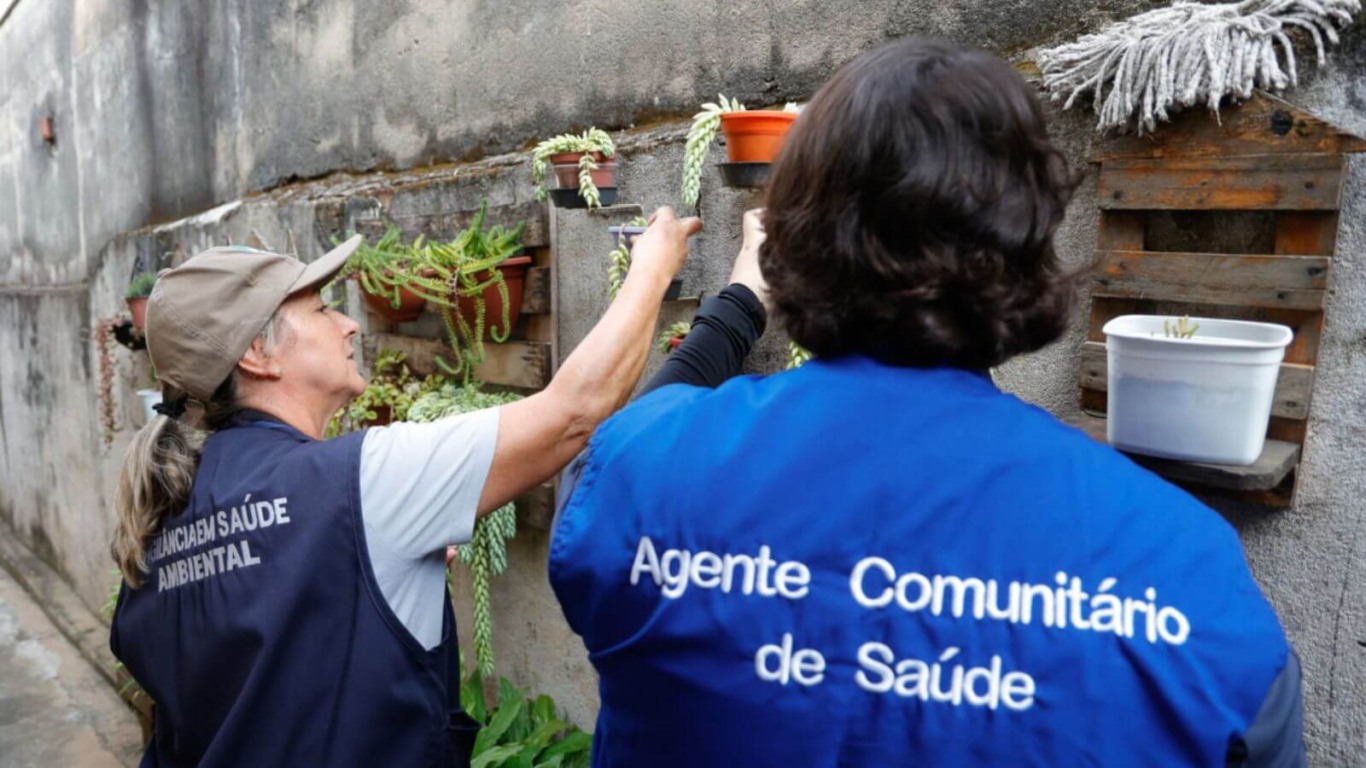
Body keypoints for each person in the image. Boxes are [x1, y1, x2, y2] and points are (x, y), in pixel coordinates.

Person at [547, 39, 1306, 767]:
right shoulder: (1184, 572)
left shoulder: (640, 480)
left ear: (793, 238)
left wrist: (745, 296)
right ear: (1028, 249)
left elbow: (630, 445)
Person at [108, 207, 731, 768]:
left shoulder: (161, 525)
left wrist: (370, 570)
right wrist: (653, 266)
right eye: (321, 309)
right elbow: (574, 412)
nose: (348, 326)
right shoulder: (359, 480)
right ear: (256, 355)